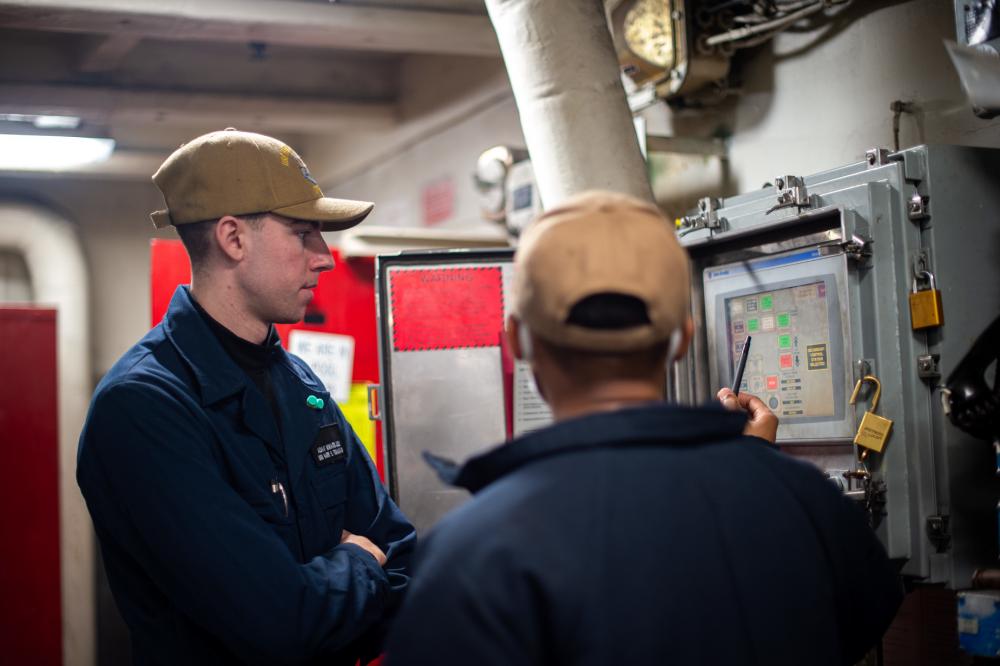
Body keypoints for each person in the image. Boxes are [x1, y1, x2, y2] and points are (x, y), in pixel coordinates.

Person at [384, 190, 902, 666]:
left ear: (518, 340)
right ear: (681, 338)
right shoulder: (805, 501)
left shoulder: (470, 553)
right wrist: (754, 467)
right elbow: (861, 620)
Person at [77, 128, 416, 665]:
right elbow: (278, 624)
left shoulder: (300, 384)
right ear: (233, 239)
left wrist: (351, 576)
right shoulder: (143, 407)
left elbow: (399, 552)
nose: (324, 257)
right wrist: (359, 563)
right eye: (304, 233)